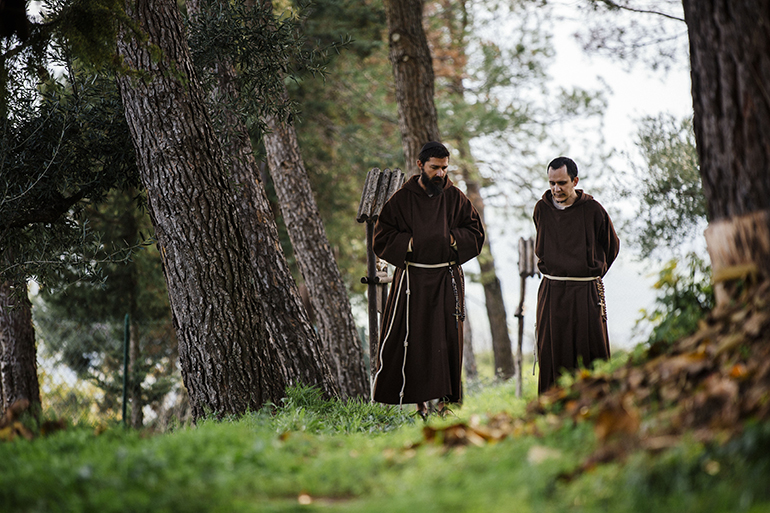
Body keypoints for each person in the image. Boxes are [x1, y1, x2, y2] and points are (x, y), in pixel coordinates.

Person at [372, 141, 485, 417]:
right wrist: (413, 243)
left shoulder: (456, 197)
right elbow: (382, 236)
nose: (441, 174)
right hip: (413, 280)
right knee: (416, 339)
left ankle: (446, 404)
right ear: (420, 165)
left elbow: (475, 233)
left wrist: (449, 239)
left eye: (445, 168)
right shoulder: (402, 199)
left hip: (447, 278)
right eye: (435, 167)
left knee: (447, 339)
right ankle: (419, 403)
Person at [533, 156, 620, 394]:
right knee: (552, 351)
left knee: (590, 349)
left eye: (561, 183)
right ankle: (553, 406)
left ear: (575, 181)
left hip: (586, 292)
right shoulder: (542, 209)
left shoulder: (593, 211)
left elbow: (611, 246)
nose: (556, 189)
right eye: (552, 183)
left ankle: (595, 403)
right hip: (552, 292)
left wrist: (592, 272)